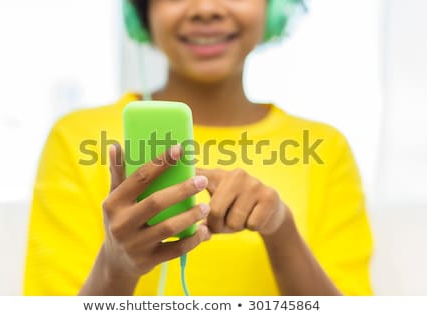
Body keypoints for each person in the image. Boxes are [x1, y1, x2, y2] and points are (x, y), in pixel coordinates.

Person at [24, 0, 373, 296]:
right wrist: (116, 268)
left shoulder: (324, 147)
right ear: (142, 11)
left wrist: (281, 230)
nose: (206, 9)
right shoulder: (76, 136)